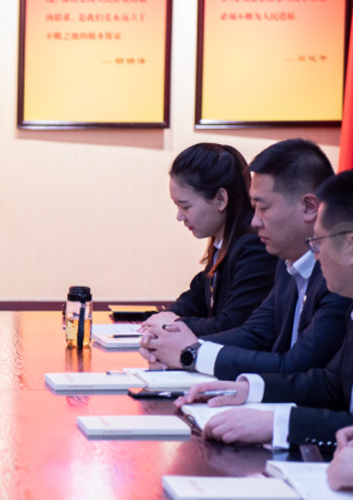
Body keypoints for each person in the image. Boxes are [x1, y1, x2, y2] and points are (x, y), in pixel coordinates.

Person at [140, 139, 350, 380]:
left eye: (263, 208)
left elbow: (297, 366)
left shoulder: (340, 277)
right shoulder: (287, 265)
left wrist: (192, 353)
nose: (254, 221)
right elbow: (255, 334)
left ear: (309, 207)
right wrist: (173, 345)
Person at [177, 170, 353, 450]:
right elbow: (330, 385)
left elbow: (302, 367)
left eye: (318, 242)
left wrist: (278, 424)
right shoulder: (290, 268)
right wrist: (248, 388)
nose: (315, 254)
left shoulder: (336, 291)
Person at [141, 143, 276, 336]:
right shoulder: (223, 244)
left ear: (220, 199)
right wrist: (163, 318)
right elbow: (195, 298)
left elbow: (231, 325)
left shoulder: (254, 247)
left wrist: (172, 324)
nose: (179, 216)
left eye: (185, 206)